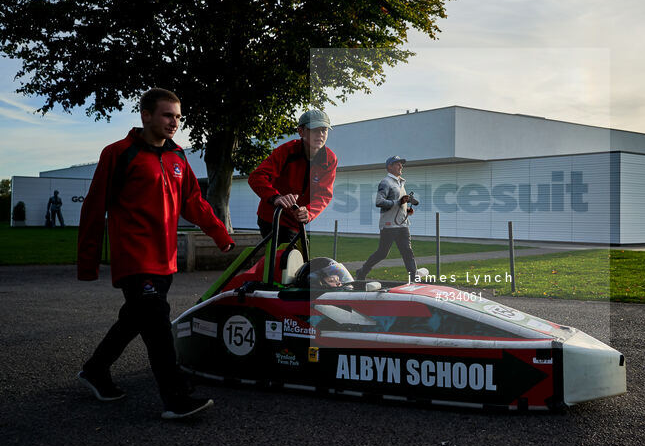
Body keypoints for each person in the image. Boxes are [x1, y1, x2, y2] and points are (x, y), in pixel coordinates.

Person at [77, 88, 234, 420]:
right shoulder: (118, 153)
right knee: (158, 323)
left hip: (165, 260)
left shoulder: (178, 158)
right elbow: (94, 207)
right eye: (167, 115)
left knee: (135, 318)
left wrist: (220, 234)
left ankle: (95, 369)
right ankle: (175, 398)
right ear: (145, 115)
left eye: (178, 116)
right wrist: (88, 262)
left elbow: (194, 202)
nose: (174, 122)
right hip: (134, 258)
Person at [248, 109, 337, 245]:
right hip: (272, 217)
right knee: (285, 258)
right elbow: (256, 177)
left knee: (299, 256)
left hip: (296, 221)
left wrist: (309, 212)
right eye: (314, 130)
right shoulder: (287, 151)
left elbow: (323, 194)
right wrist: (276, 197)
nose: (320, 135)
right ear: (301, 131)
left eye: (324, 130)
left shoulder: (330, 159)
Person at [354, 156, 419, 282]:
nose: (401, 166)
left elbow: (399, 203)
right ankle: (362, 271)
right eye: (397, 164)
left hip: (403, 225)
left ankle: (414, 279)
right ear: (389, 167)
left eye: (401, 164)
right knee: (382, 253)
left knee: (407, 252)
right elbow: (379, 202)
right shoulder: (386, 182)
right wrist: (398, 202)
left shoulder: (401, 182)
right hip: (389, 225)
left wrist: (406, 210)